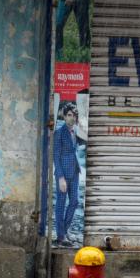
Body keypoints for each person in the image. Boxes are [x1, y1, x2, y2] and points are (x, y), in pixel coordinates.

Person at [54, 101, 81, 248]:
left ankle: (64, 230)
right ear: (64, 117)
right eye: (69, 115)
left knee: (75, 201)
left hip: (75, 171)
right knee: (60, 204)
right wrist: (60, 177)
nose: (72, 118)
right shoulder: (59, 132)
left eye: (74, 115)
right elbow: (56, 156)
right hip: (63, 173)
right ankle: (61, 235)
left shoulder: (77, 131)